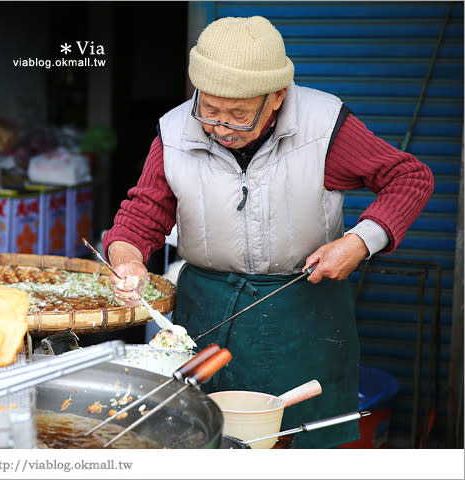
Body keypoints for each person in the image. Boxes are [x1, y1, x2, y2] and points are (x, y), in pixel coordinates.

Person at [102, 16, 433, 448]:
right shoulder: (175, 130)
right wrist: (127, 259)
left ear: (277, 96)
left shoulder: (324, 126)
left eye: (238, 115)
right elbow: (143, 213)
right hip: (208, 311)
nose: (219, 128)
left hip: (303, 311)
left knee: (299, 442)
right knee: (206, 438)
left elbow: (409, 178)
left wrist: (358, 242)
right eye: (210, 110)